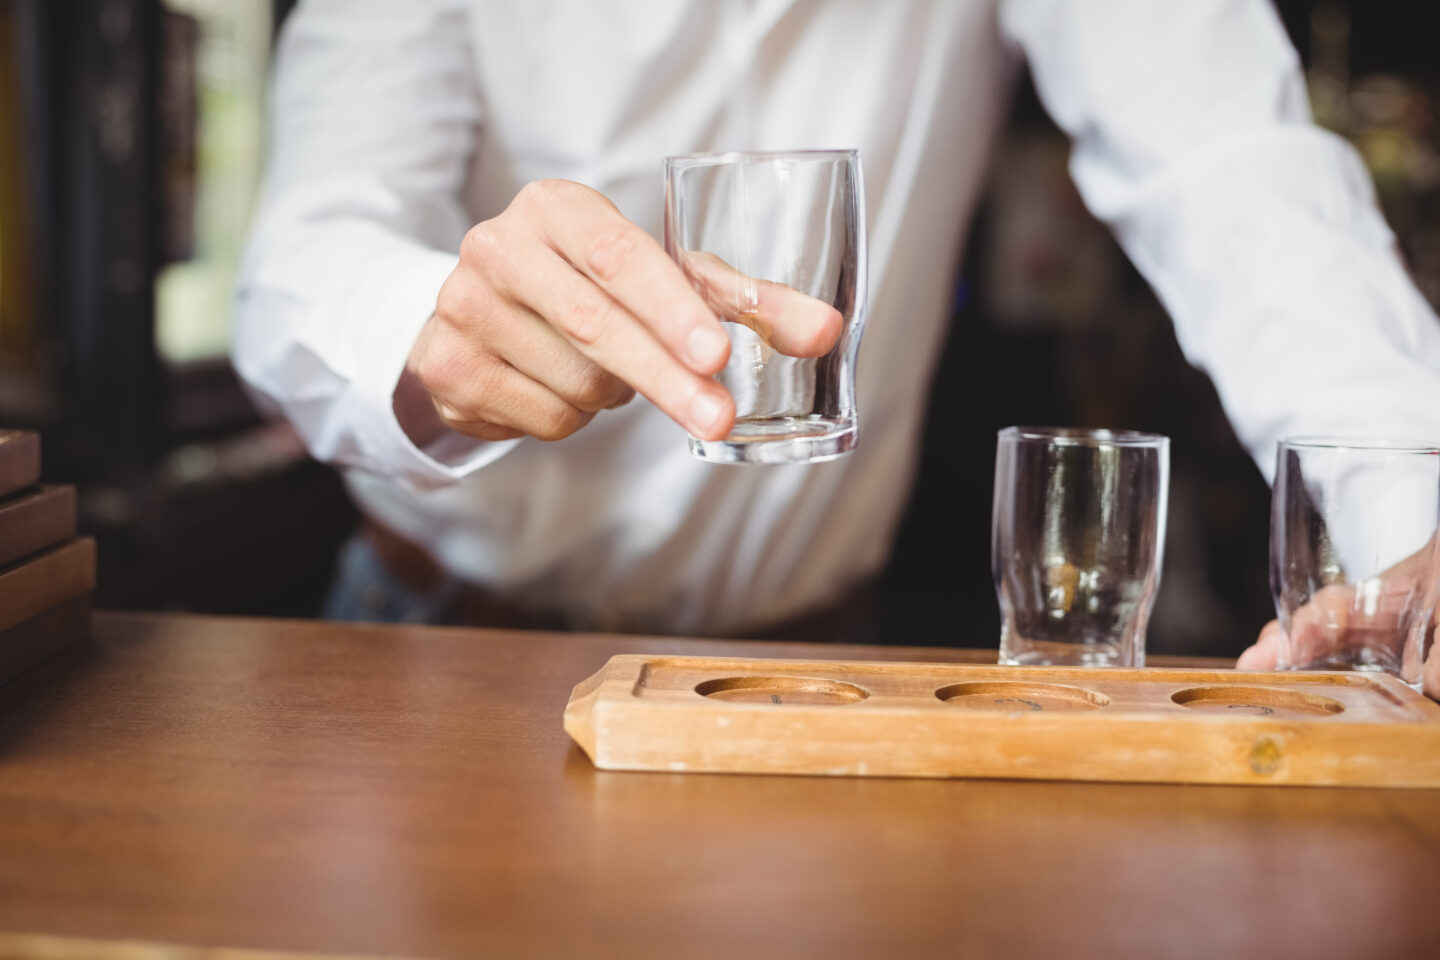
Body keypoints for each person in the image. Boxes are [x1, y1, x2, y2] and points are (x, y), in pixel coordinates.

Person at [234, 1, 1440, 673]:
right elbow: (301, 261)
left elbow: (1229, 164)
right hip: (437, 647)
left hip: (807, 664)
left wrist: (1420, 519)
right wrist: (435, 327)